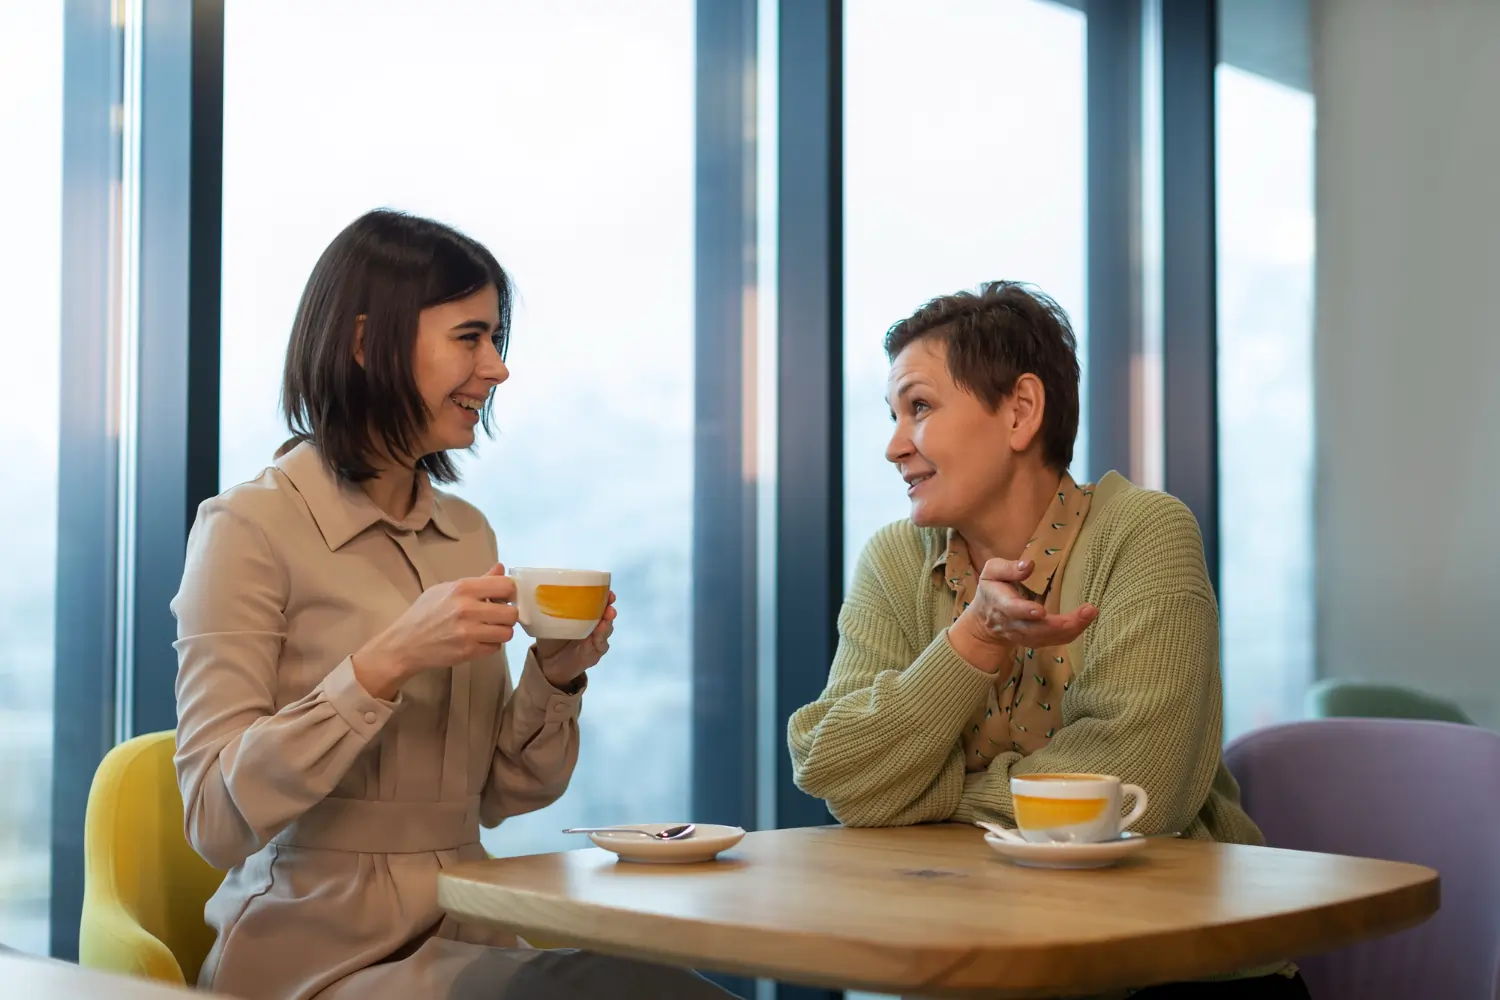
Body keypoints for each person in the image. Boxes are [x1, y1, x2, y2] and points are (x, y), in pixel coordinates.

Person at [173, 210, 737, 1000]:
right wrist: (385, 661)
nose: (497, 368)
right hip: (316, 953)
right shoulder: (246, 529)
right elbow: (214, 817)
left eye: (497, 340)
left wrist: (557, 677)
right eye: (470, 338)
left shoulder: (465, 532)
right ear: (367, 343)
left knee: (667, 990)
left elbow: (501, 795)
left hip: (469, 927)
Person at [787, 282, 1310, 999]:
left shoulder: (1145, 533)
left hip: (1173, 972)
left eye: (920, 408)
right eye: (894, 415)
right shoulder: (896, 559)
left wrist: (923, 792)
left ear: (1020, 411)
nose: (893, 446)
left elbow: (1140, 792)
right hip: (979, 959)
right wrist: (973, 640)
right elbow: (839, 774)